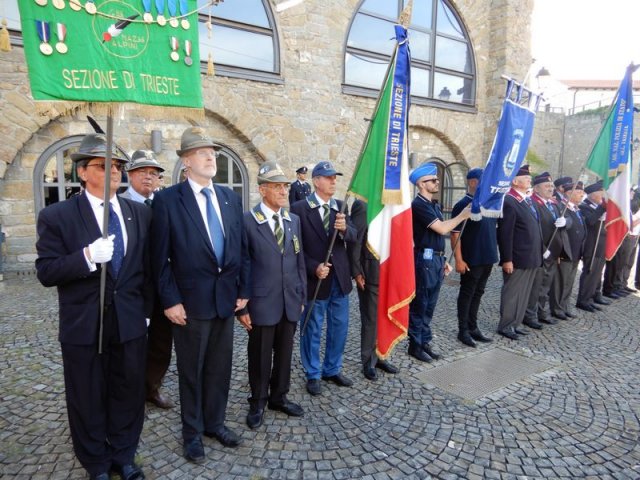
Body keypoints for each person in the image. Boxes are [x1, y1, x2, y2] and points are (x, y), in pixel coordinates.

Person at [36, 134, 152, 480]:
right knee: (87, 395)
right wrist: (85, 257)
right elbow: (46, 271)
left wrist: (145, 310)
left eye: (118, 166)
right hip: (84, 323)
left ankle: (123, 453)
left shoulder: (138, 213)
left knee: (129, 390)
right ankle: (96, 462)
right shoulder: (58, 215)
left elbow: (146, 267)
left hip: (130, 320)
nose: (115, 172)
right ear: (83, 172)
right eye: (104, 166)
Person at [151, 127, 249, 463]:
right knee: (191, 371)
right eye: (203, 153)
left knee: (220, 369)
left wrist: (243, 291)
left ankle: (214, 423)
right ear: (186, 161)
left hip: (225, 300)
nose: (212, 158)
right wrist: (169, 300)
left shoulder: (230, 198)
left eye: (214, 153)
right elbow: (159, 258)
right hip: (189, 305)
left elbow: (240, 248)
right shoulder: (167, 201)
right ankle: (191, 433)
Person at [236, 161, 307, 429]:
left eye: (285, 186)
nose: (283, 191)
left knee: (286, 353)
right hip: (261, 302)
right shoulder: (248, 221)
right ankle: (258, 401)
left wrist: (301, 296)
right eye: (277, 186)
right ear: (262, 190)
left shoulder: (293, 220)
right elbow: (242, 264)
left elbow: (298, 261)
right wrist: (242, 308)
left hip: (290, 300)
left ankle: (279, 396)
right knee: (260, 355)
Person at [290, 161, 357, 396]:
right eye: (328, 178)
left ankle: (332, 368)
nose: (333, 181)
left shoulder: (340, 206)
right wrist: (313, 267)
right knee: (312, 327)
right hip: (316, 279)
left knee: (339, 326)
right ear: (316, 181)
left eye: (335, 178)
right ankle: (313, 373)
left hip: (339, 278)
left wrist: (344, 229)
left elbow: (353, 236)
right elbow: (295, 247)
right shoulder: (299, 208)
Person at [120, 150, 174, 410]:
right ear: (129, 174)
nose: (149, 178)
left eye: (154, 174)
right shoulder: (117, 205)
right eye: (143, 172)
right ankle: (128, 391)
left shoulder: (164, 204)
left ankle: (151, 387)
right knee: (130, 343)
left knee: (161, 344)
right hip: (132, 288)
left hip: (162, 286)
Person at [407, 162, 470, 361]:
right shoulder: (418, 205)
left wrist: (443, 258)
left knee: (430, 305)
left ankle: (424, 341)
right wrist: (462, 215)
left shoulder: (433, 204)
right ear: (421, 184)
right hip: (423, 260)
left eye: (436, 179)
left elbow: (439, 236)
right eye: (432, 180)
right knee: (421, 304)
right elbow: (442, 229)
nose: (437, 182)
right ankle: (415, 345)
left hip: (435, 259)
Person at [348, 198, 400, 380]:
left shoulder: (391, 203)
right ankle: (368, 360)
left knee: (385, 316)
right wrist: (356, 272)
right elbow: (355, 240)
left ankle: (381, 355)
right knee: (371, 318)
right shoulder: (363, 204)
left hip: (390, 270)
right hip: (371, 271)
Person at [496, 164, 543, 340]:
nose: (529, 179)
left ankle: (516, 323)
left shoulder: (527, 200)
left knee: (524, 293)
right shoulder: (509, 201)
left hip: (531, 257)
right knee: (512, 292)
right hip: (517, 257)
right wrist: (507, 259)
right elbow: (505, 234)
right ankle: (506, 325)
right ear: (515, 181)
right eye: (526, 177)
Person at [449, 168, 494, 348]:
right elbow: (455, 234)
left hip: (487, 256)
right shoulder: (463, 204)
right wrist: (459, 259)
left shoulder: (489, 204)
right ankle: (463, 330)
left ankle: (473, 327)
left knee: (478, 293)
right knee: (467, 293)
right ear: (473, 182)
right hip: (471, 257)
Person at [524, 171, 569, 326]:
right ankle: (530, 316)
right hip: (540, 251)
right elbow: (531, 231)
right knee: (535, 286)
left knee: (545, 285)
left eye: (551, 186)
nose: (551, 189)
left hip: (553, 252)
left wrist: (565, 222)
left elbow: (566, 222)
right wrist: (543, 249)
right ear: (536, 189)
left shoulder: (554, 204)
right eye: (547, 186)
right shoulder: (532, 203)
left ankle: (542, 312)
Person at [549, 181, 586, 319]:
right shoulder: (561, 206)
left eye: (582, 192)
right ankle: (557, 308)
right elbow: (566, 220)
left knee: (569, 282)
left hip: (576, 252)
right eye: (578, 192)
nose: (582, 194)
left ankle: (565, 306)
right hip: (565, 251)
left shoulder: (577, 209)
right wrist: (566, 222)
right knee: (560, 282)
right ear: (569, 193)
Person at [576, 180, 609, 311]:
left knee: (597, 272)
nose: (603, 196)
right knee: (589, 272)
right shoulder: (584, 207)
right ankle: (583, 299)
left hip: (601, 245)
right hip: (591, 245)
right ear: (592, 195)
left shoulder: (598, 207)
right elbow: (590, 221)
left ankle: (593, 295)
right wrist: (602, 208)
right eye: (601, 193)